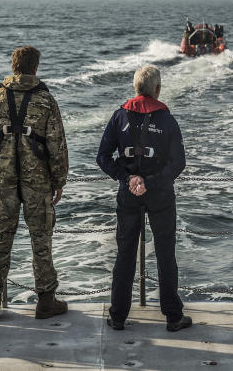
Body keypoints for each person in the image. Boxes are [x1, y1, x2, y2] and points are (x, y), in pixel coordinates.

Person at [0, 45, 69, 320]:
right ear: (36, 68)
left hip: (2, 179)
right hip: (37, 180)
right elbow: (57, 144)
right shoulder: (46, 100)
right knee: (41, 239)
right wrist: (59, 180)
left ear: (13, 66)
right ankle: (46, 300)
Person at [96, 64, 191, 332]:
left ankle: (117, 317)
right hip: (160, 194)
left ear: (135, 88)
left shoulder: (118, 117)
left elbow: (102, 157)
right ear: (157, 89)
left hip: (128, 193)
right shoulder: (167, 120)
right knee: (165, 254)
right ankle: (173, 317)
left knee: (125, 254)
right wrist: (150, 182)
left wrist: (128, 179)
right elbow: (178, 163)